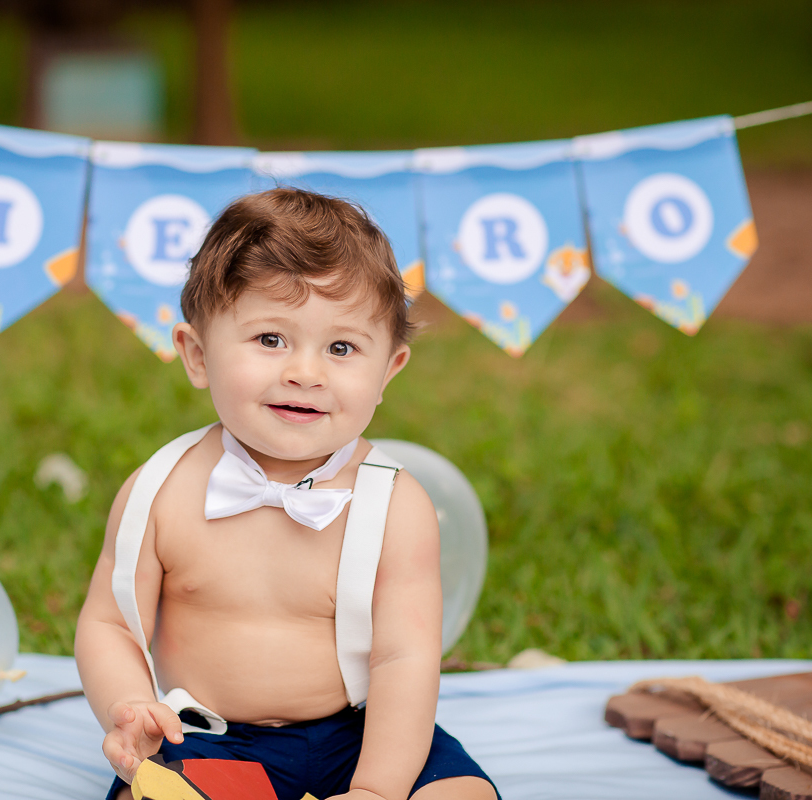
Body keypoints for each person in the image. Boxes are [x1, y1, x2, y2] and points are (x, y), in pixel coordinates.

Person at [75, 189, 499, 800]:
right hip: (207, 736)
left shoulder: (394, 507)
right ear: (197, 355)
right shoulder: (160, 491)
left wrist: (378, 790)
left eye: (342, 347)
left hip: (360, 735)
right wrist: (131, 704)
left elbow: (404, 661)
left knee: (461, 796)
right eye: (271, 339)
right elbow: (109, 623)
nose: (305, 371)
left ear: (389, 371)